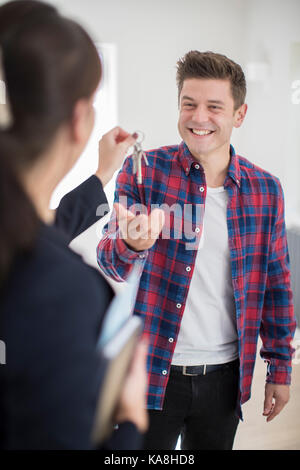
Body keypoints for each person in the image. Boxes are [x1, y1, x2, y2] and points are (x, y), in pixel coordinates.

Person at [97, 50, 297, 450]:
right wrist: (131, 243)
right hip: (150, 371)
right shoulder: (145, 171)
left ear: (239, 115)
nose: (198, 117)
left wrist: (279, 367)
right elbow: (110, 260)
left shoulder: (265, 190)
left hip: (224, 380)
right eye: (189, 104)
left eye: (214, 107)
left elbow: (277, 285)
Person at [0, 0, 148, 450]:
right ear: (81, 118)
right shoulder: (63, 292)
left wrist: (103, 174)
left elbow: (35, 229)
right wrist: (130, 421)